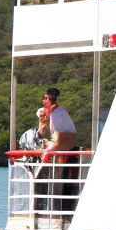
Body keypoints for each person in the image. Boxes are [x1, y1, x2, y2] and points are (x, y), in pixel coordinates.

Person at [42, 88, 79, 219]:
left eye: (45, 98)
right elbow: (49, 135)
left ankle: (60, 214)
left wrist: (46, 154)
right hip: (65, 149)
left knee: (61, 186)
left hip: (66, 152)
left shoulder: (57, 114)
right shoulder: (56, 112)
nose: (43, 101)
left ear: (50, 100)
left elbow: (58, 141)